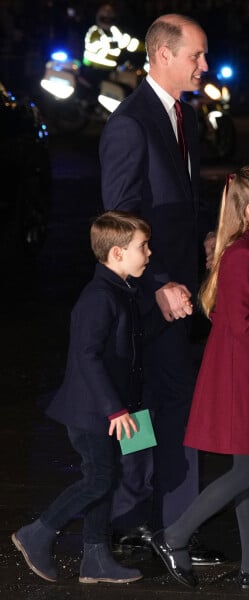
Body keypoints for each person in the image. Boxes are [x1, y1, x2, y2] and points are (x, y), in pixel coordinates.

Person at [99, 14, 223, 565]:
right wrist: (156, 284)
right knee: (145, 412)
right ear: (163, 55)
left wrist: (203, 237)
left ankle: (168, 524)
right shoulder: (131, 123)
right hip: (146, 300)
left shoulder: (183, 117)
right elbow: (118, 225)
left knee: (168, 408)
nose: (204, 65)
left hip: (177, 293)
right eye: (196, 55)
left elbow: (176, 202)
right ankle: (139, 523)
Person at [150, 166, 249, 589]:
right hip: (241, 375)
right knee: (248, 472)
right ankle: (175, 535)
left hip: (248, 369)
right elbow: (240, 322)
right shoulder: (242, 254)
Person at [11, 211, 160, 585]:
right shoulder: (98, 297)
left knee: (112, 477)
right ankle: (37, 532)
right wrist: (115, 409)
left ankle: (95, 557)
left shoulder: (123, 290)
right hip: (95, 412)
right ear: (116, 254)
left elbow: (129, 345)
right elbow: (86, 356)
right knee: (98, 479)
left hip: (121, 408)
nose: (149, 253)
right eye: (143, 246)